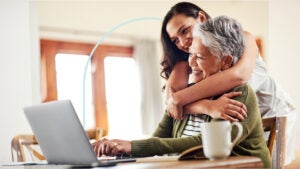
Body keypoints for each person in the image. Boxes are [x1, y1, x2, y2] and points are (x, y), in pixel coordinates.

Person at [93, 15, 271, 168]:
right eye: (190, 54)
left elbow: (204, 144)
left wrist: (133, 146)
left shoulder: (239, 94)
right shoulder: (188, 94)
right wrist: (120, 148)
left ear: (225, 62)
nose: (191, 63)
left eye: (199, 57)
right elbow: (158, 138)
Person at [162, 2, 296, 165]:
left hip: (270, 115)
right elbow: (170, 102)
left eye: (185, 30)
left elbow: (237, 76)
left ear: (202, 18)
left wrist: (180, 100)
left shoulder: (243, 39)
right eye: (175, 40)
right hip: (235, 121)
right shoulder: (189, 59)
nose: (182, 42)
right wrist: (205, 106)